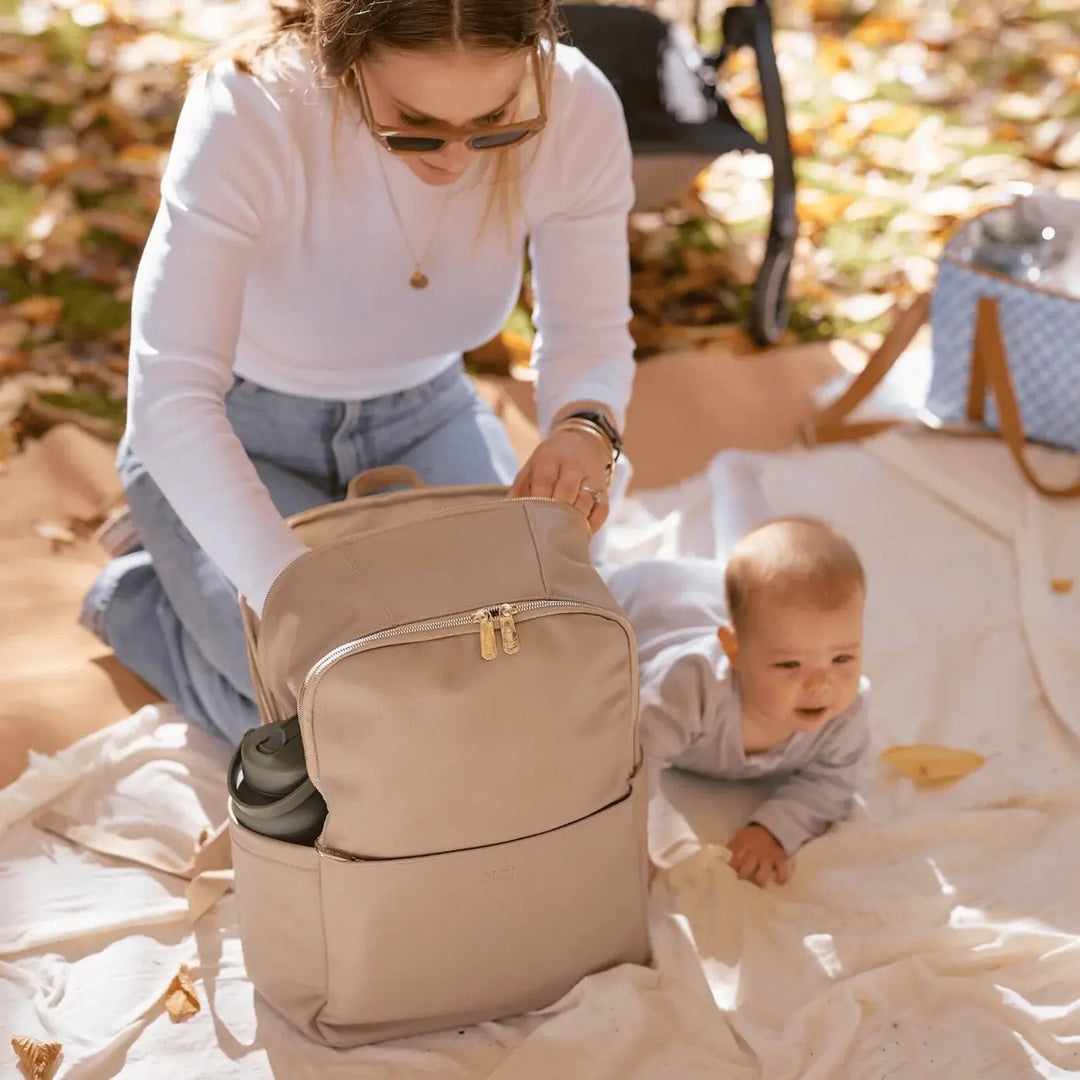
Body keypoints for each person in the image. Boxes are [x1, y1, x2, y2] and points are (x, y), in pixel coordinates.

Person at [80, 0, 636, 745]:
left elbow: (589, 332)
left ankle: (197, 559)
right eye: (415, 123)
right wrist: (298, 598)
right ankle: (139, 593)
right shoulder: (252, 107)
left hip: (430, 413)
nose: (457, 158)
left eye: (496, 119)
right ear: (346, 58)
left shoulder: (577, 103)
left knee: (511, 683)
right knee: (335, 723)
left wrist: (585, 424)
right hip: (237, 435)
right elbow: (173, 396)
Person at [603, 453, 870, 887]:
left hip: (724, 601)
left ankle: (735, 475)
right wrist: (633, 841)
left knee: (752, 561)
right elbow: (634, 762)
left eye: (843, 658)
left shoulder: (846, 709)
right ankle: (607, 489)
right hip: (651, 597)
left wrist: (773, 829)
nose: (821, 682)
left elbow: (833, 782)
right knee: (577, 579)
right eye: (789, 664)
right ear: (733, 651)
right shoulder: (689, 688)